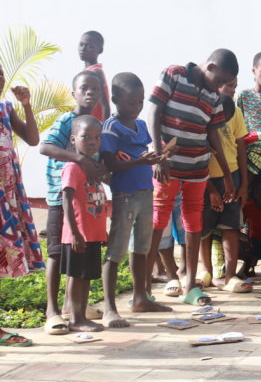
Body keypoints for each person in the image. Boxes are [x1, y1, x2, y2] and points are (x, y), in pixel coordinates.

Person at [147, 49, 237, 306]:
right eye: (219, 80)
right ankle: (143, 288)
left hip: (198, 168)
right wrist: (158, 153)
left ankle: (190, 286)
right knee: (158, 219)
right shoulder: (173, 75)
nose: (220, 86)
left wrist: (227, 174)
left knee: (194, 220)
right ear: (210, 67)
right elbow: (153, 111)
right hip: (167, 166)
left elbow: (213, 134)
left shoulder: (214, 96)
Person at [100, 72, 171, 324]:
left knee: (141, 247)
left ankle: (141, 297)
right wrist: (140, 161)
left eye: (141, 102)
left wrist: (159, 159)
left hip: (145, 192)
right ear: (116, 99)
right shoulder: (111, 127)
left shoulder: (141, 126)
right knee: (116, 250)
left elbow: (149, 150)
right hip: (124, 195)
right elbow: (108, 165)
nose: (137, 107)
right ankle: (109, 308)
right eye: (132, 102)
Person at [40, 71, 106, 334]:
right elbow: (44, 147)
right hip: (61, 195)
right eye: (84, 88)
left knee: (78, 261)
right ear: (74, 93)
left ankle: (74, 307)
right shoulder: (68, 120)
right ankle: (52, 311)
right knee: (57, 254)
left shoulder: (94, 124)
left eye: (95, 89)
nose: (90, 92)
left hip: (84, 201)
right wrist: (78, 159)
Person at [0, 72, 42, 347]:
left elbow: (33, 139)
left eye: (0, 73)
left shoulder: (6, 108)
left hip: (7, 193)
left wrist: (26, 105)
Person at [201, 80, 251, 293]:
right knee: (203, 228)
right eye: (226, 84)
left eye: (234, 85)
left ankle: (230, 276)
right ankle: (206, 273)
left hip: (233, 176)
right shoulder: (203, 111)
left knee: (231, 225)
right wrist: (210, 188)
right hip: (206, 179)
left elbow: (241, 147)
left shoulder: (236, 111)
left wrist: (244, 184)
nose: (230, 89)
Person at [60, 115, 109, 332]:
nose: (92, 142)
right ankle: (76, 318)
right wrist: (75, 233)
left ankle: (81, 317)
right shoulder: (72, 167)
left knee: (86, 276)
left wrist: (102, 232)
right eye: (85, 137)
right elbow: (67, 200)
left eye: (97, 137)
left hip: (93, 234)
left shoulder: (93, 168)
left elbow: (97, 200)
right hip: (78, 235)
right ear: (73, 139)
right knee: (76, 277)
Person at [79, 30, 110, 121]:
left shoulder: (96, 72)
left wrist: (105, 130)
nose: (83, 49)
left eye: (89, 46)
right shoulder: (84, 74)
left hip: (94, 127)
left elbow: (105, 105)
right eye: (81, 45)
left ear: (100, 50)